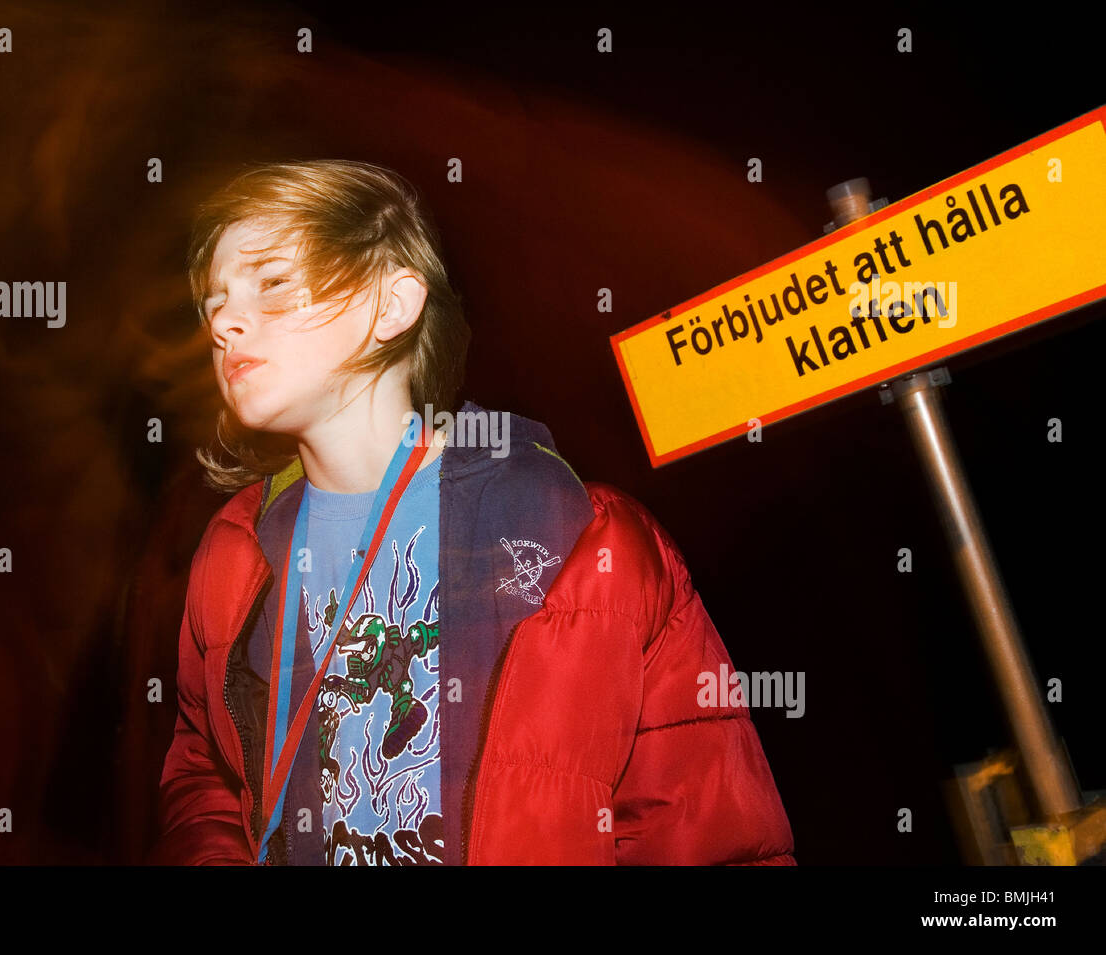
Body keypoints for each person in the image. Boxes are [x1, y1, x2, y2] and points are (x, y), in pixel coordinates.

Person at [147, 159, 795, 865]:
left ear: (392, 305)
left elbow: (714, 837)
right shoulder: (234, 554)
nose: (225, 325)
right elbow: (206, 779)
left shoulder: (589, 540)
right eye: (215, 304)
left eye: (272, 284)